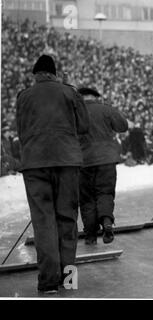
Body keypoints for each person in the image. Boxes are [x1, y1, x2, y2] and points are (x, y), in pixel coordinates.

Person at [15, 55, 89, 294]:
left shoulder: (23, 96)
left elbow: (21, 129)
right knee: (67, 220)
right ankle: (68, 279)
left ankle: (48, 282)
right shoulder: (70, 93)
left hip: (35, 164)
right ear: (55, 73)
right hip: (67, 162)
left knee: (43, 222)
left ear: (35, 75)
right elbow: (84, 127)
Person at [77, 87, 129, 245]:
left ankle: (91, 236)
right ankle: (106, 220)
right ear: (95, 97)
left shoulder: (74, 111)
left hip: (83, 160)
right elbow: (123, 126)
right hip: (106, 159)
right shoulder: (106, 109)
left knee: (87, 199)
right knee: (105, 193)